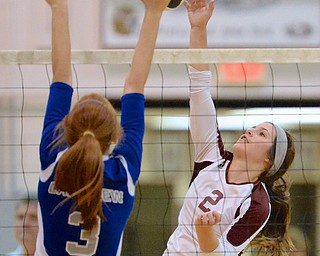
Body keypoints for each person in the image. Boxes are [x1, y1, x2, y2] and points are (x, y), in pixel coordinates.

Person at [36, 0, 170, 255]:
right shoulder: (123, 172)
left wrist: (58, 7)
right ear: (114, 137)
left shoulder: (54, 159)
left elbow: (61, 77)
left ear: (66, 127)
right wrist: (154, 11)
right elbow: (134, 86)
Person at [163, 0, 296, 255]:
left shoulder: (257, 204)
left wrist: (206, 233)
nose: (250, 131)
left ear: (269, 160)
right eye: (254, 127)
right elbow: (199, 86)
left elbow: (221, 253)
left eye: (261, 134)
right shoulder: (211, 158)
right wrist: (198, 28)